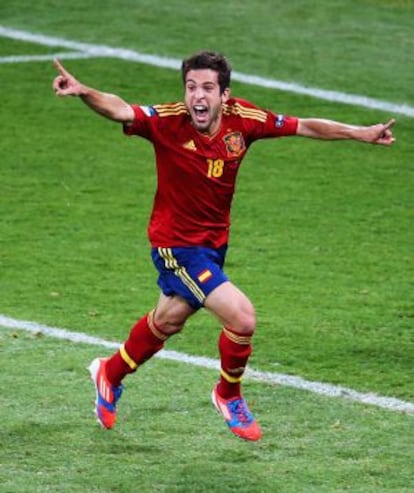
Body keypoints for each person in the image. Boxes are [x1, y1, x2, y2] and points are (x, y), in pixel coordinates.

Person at [53, 51, 395, 442]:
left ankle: (108, 374)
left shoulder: (243, 121)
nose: (198, 96)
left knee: (167, 321)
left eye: (208, 88)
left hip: (213, 245)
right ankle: (227, 394)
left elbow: (305, 127)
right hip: (175, 246)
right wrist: (84, 92)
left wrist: (360, 133)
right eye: (191, 87)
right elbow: (120, 110)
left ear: (224, 95)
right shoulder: (168, 121)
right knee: (242, 318)